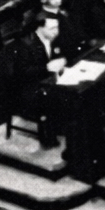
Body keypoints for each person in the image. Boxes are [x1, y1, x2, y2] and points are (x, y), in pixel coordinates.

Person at [14, 14, 68, 147]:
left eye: (57, 27)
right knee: (52, 98)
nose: (56, 31)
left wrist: (64, 59)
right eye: (52, 28)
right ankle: (49, 137)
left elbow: (65, 52)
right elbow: (23, 72)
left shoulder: (54, 37)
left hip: (51, 79)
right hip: (31, 86)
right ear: (40, 28)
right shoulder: (26, 45)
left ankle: (66, 126)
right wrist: (46, 67)